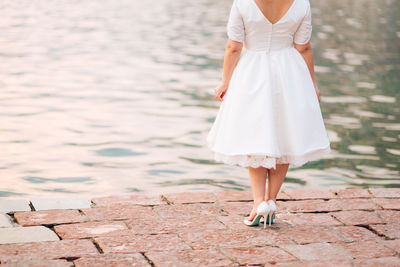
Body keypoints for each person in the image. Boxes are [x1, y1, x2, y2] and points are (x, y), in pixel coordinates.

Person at [206, 0, 331, 228]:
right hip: (290, 71)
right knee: (285, 135)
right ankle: (271, 201)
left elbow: (233, 46)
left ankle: (258, 203)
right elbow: (303, 47)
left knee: (255, 135)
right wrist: (312, 84)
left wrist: (225, 81)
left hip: (253, 71)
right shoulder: (301, 3)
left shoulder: (243, 3)